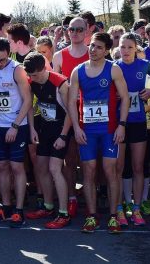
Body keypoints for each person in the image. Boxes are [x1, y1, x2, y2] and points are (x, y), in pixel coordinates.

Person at [68, 32, 129, 233]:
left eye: (99, 47)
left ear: (106, 51)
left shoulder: (113, 69)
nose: (94, 50)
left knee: (110, 171)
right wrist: (76, 128)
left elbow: (125, 98)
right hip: (87, 132)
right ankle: (92, 216)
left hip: (109, 130)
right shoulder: (78, 71)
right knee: (89, 171)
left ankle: (113, 216)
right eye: (92, 46)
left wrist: (121, 125)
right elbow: (71, 101)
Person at [0, 37, 32, 228]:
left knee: (17, 167)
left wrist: (16, 125)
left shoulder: (17, 69)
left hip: (17, 125)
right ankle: (6, 206)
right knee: (2, 166)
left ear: (8, 54)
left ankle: (19, 210)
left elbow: (28, 100)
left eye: (2, 60)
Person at [24, 52, 71, 229]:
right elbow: (29, 105)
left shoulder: (60, 82)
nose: (31, 78)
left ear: (44, 69)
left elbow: (70, 112)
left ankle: (63, 213)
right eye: (29, 75)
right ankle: (48, 206)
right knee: (41, 167)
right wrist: (32, 128)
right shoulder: (31, 81)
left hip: (60, 130)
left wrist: (63, 136)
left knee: (54, 169)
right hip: (44, 129)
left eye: (35, 75)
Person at [115, 33, 150, 227]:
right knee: (120, 167)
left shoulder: (145, 65)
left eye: (129, 47)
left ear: (136, 48)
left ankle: (137, 208)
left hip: (139, 121)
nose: (125, 51)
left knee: (138, 167)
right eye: (122, 47)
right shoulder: (114, 67)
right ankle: (122, 206)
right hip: (120, 123)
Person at [53, 17, 89, 217]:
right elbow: (54, 87)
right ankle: (72, 197)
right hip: (66, 114)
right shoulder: (59, 56)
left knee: (89, 161)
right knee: (69, 159)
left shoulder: (94, 54)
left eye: (78, 29)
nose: (74, 32)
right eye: (70, 29)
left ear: (86, 32)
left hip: (90, 115)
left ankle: (89, 194)